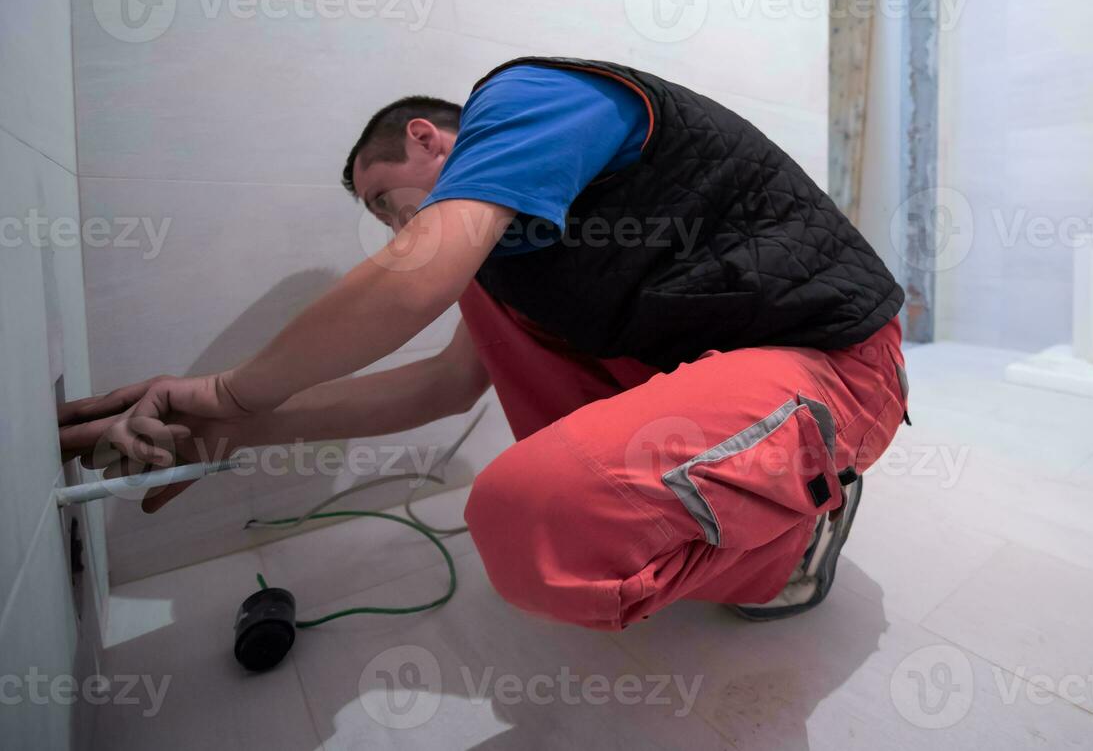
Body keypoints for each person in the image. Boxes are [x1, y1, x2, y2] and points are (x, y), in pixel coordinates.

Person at [58, 57, 908, 628]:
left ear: (428, 138)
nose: (388, 223)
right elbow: (439, 385)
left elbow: (417, 269)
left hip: (835, 361)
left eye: (382, 199)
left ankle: (793, 538)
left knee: (528, 517)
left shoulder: (532, 95)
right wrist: (235, 429)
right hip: (729, 374)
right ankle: (752, 501)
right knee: (492, 318)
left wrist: (228, 391)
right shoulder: (506, 254)